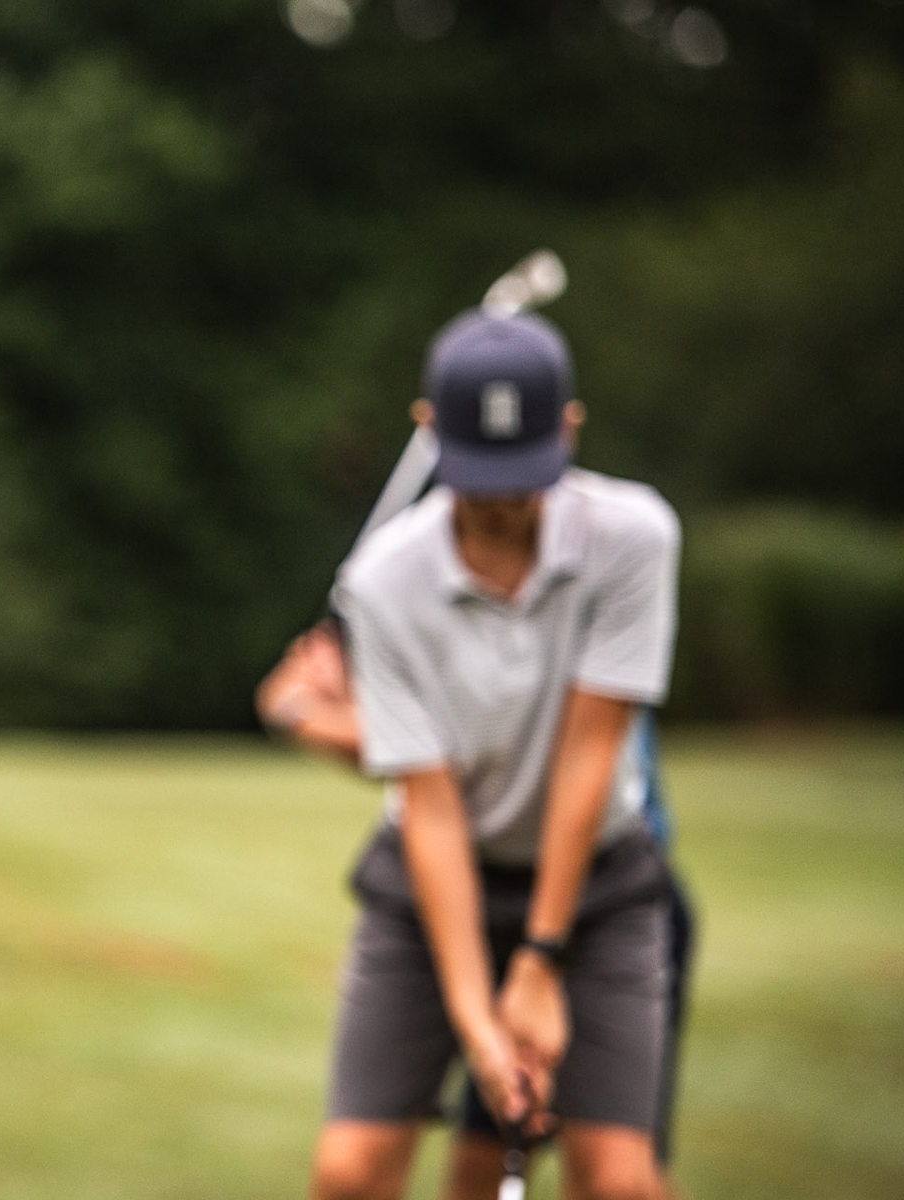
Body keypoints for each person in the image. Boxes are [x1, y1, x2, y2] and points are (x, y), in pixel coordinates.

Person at [278, 309, 681, 1200]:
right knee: (347, 1172)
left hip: (599, 886)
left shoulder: (635, 538)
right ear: (428, 431)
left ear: (570, 428)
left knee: (618, 1184)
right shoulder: (382, 581)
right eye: (479, 477)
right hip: (429, 885)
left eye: (522, 475)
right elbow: (430, 804)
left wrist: (539, 959)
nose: (502, 503)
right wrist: (478, 1022)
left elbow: (588, 756)